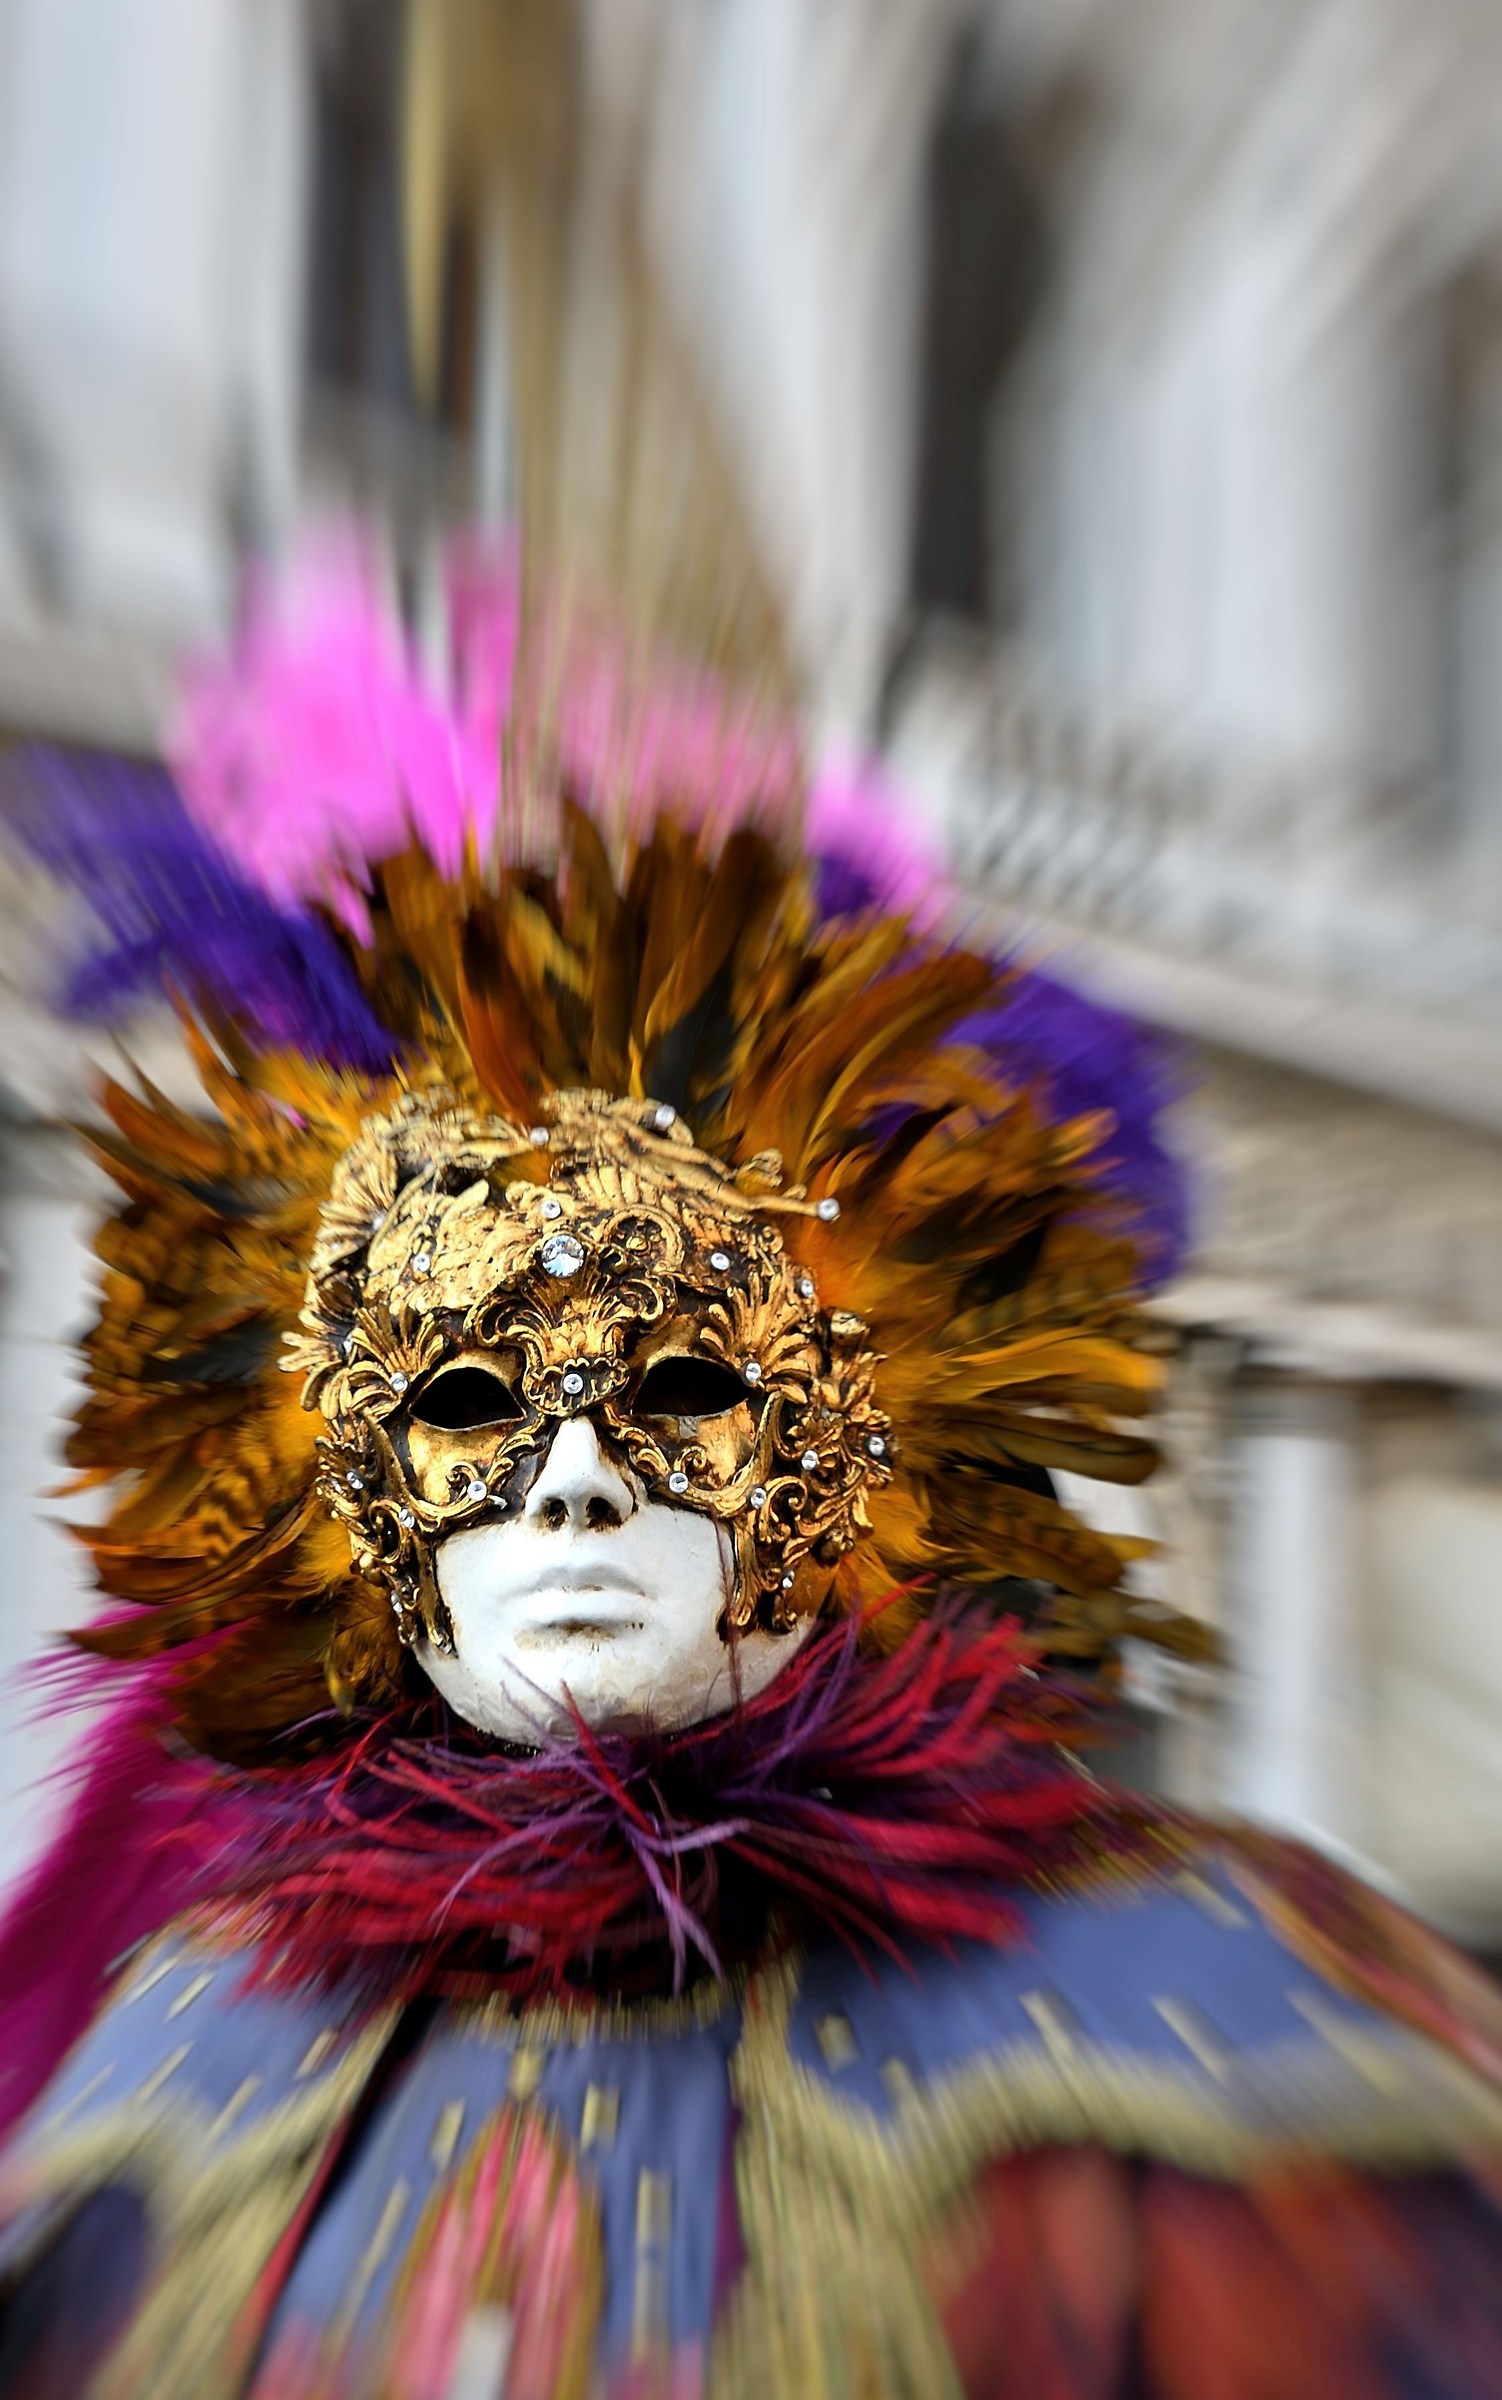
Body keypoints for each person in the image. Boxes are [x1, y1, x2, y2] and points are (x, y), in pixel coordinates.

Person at [1, 546, 1501, 2400]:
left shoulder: (1235, 2040)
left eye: (688, 1379)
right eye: (466, 1401)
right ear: (327, 1475)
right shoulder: (185, 2053)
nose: (568, 1485)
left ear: (884, 1429)